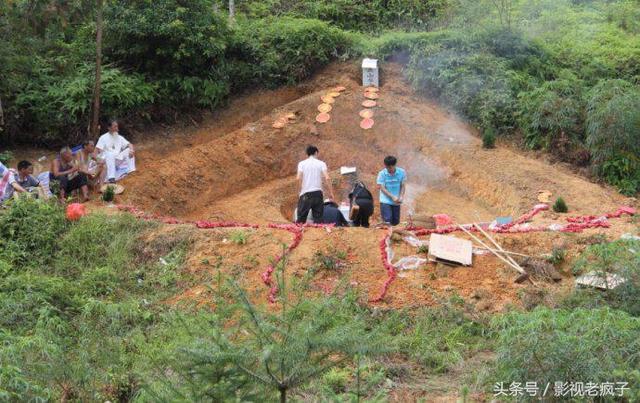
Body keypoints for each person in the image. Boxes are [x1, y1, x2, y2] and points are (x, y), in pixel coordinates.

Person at [296, 145, 336, 224]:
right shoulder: (321, 163)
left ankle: (300, 234)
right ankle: (320, 235)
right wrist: (331, 193)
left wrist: (300, 191)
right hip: (318, 194)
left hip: (305, 194)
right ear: (316, 152)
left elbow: (298, 178)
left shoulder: (302, 163)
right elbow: (327, 178)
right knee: (318, 220)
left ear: (307, 154)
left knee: (301, 219)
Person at [376, 155, 406, 226]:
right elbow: (382, 188)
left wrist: (401, 196)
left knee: (396, 221)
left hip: (396, 201)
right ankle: (387, 235)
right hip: (385, 200)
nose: (389, 169)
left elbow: (403, 185)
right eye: (387, 167)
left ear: (395, 165)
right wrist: (392, 197)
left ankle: (394, 235)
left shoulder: (402, 172)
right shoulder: (382, 174)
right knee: (388, 220)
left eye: (390, 167)